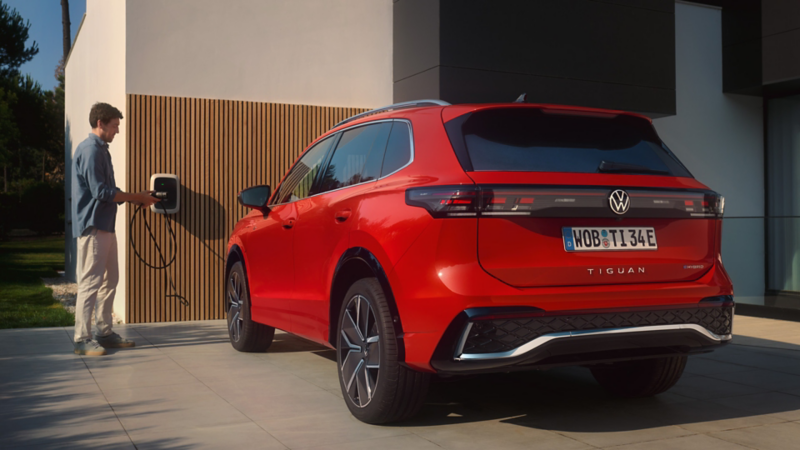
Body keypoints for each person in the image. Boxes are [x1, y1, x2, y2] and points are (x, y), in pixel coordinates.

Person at [72, 102, 159, 356]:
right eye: (114, 126)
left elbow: (109, 191)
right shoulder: (90, 150)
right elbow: (101, 192)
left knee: (111, 280)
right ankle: (81, 338)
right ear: (100, 124)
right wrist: (137, 197)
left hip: (106, 227)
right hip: (93, 226)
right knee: (90, 283)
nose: (117, 131)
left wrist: (136, 197)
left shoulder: (102, 150)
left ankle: (104, 332)